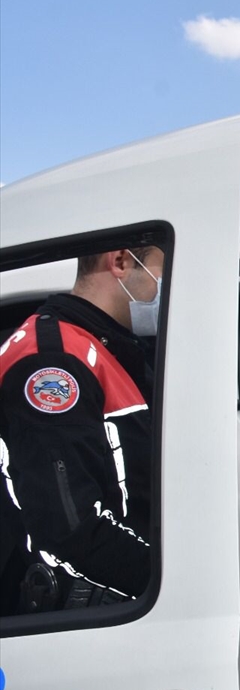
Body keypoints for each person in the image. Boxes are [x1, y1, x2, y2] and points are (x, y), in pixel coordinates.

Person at [0, 245, 162, 613]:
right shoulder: (52, 362)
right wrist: (171, 580)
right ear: (120, 261)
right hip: (94, 612)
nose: (167, 285)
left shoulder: (111, 349)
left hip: (124, 604)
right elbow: (70, 530)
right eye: (162, 269)